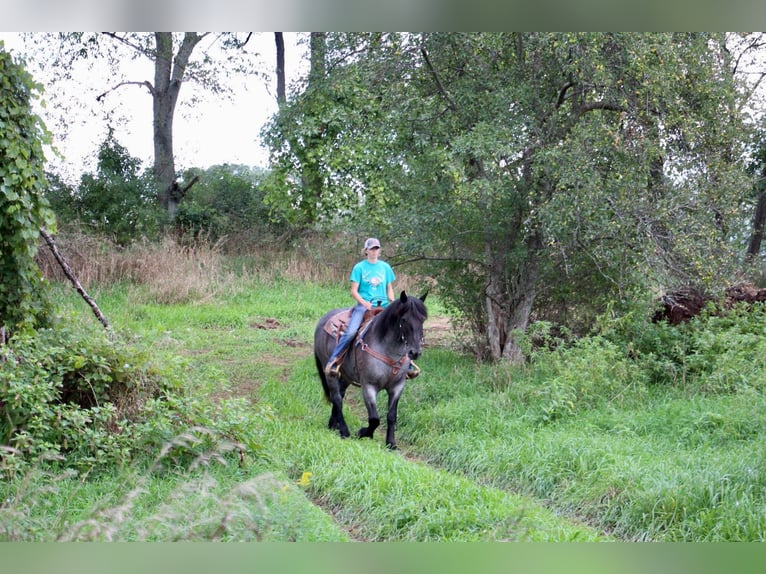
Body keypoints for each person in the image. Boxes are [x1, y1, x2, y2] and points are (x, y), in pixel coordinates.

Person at [324, 237, 396, 377]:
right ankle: (334, 359)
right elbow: (354, 291)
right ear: (366, 251)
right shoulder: (359, 268)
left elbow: (389, 288)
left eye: (376, 249)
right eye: (371, 249)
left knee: (400, 328)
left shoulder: (385, 267)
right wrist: (364, 303)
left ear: (379, 250)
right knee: (351, 332)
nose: (374, 251)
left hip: (384, 306)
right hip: (364, 307)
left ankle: (406, 363)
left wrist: (392, 301)